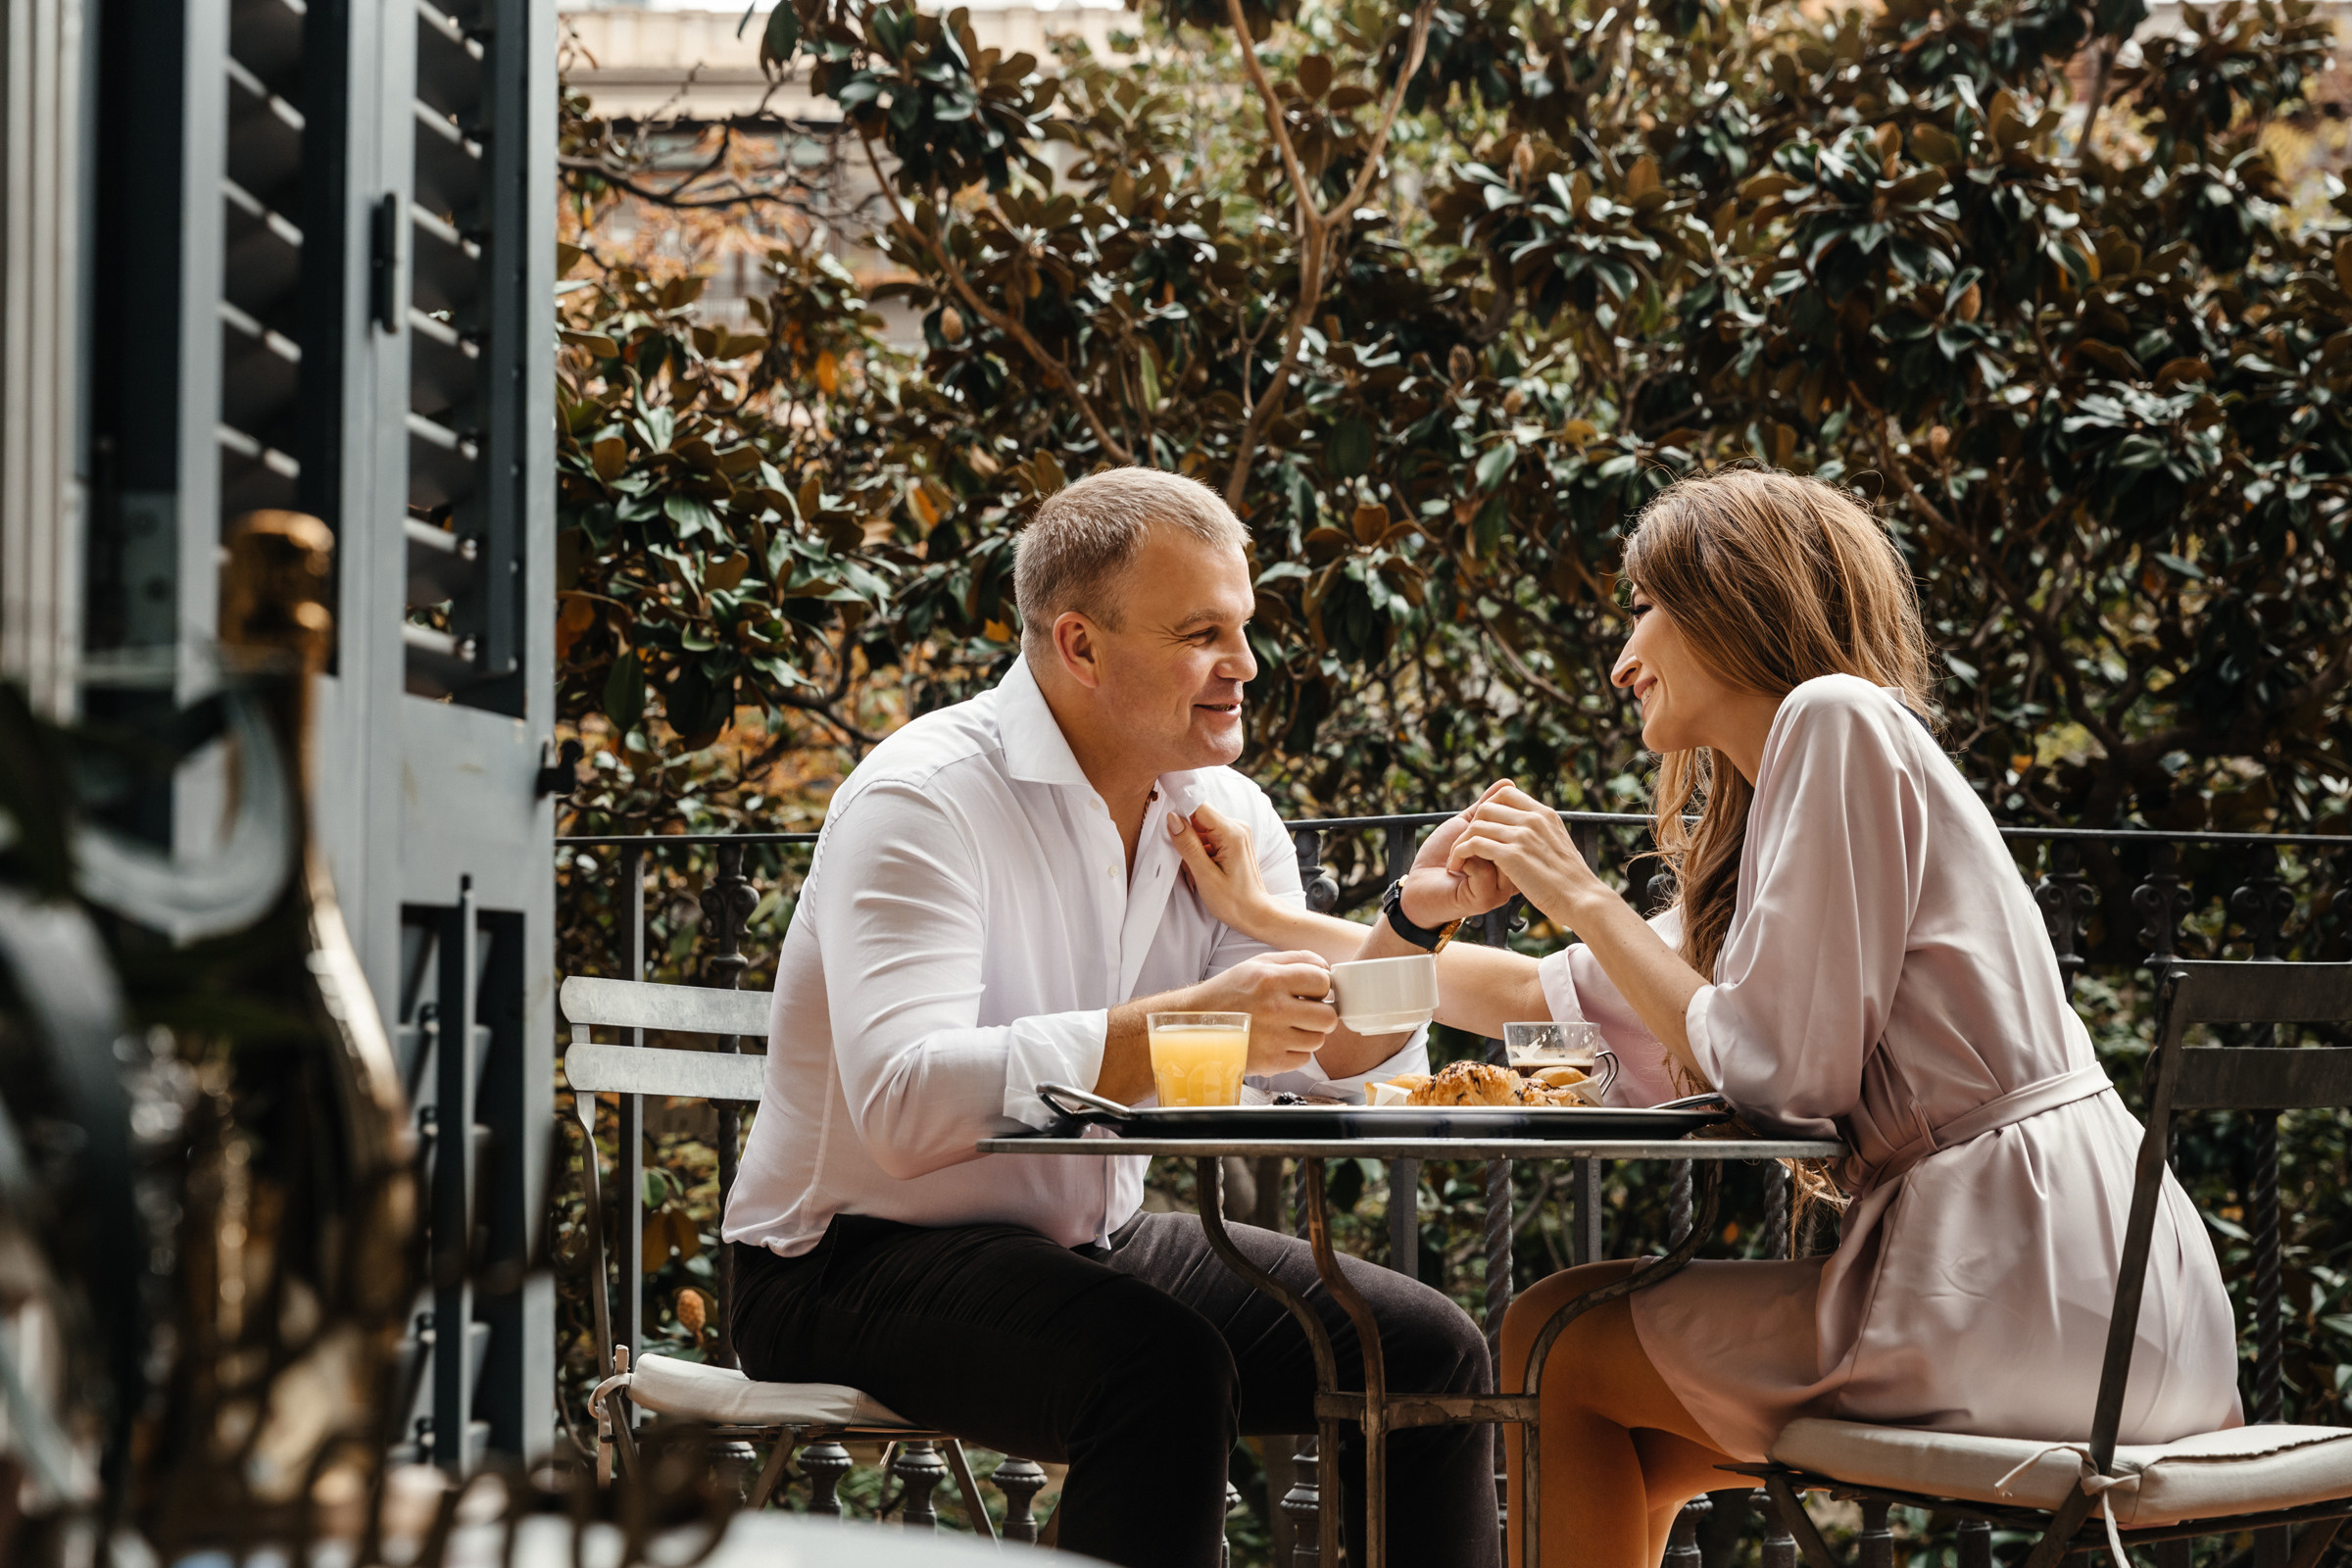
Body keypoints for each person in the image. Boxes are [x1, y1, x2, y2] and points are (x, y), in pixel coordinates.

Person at [1167, 467, 2241, 1568]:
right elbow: (1536, 997)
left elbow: (1786, 1074)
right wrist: (1307, 913)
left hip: (2028, 1288)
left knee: (1557, 1346)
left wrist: (1581, 892)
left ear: (1729, 598)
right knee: (1628, 1420)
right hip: (2131, 1306)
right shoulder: (1803, 804)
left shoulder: (1836, 717)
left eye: (1645, 607)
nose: (1625, 657)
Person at [721, 466, 1501, 1568]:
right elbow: (901, 1105)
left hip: (1085, 1244)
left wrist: (1412, 922)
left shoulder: (1221, 809)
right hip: (843, 1259)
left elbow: (1330, 1054)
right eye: (1202, 634)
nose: (1244, 665)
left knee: (1419, 1352)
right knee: (1162, 1365)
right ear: (1080, 646)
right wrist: (1178, 1022)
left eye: (1243, 626)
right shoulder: (924, 799)